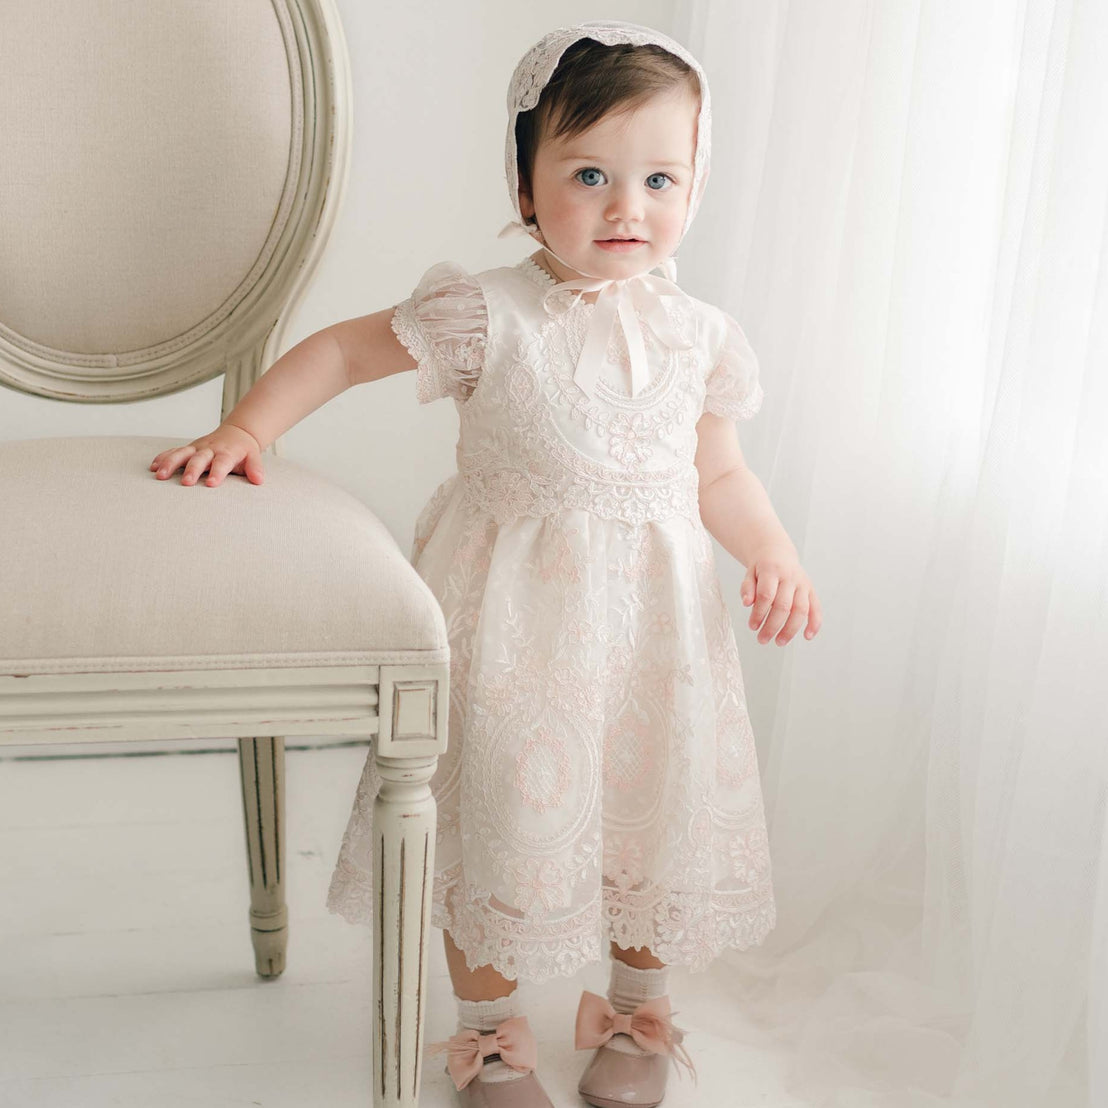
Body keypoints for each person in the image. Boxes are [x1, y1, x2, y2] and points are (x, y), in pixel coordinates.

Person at [150, 20, 821, 1108]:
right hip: (509, 630)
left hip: (656, 632)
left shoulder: (702, 335)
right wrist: (249, 430)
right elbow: (344, 350)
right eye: (589, 173)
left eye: (659, 177)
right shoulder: (486, 313)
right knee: (497, 823)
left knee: (651, 811)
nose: (625, 206)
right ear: (523, 185)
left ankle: (636, 1009)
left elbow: (720, 477)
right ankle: (491, 1035)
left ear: (695, 188)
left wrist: (772, 549)